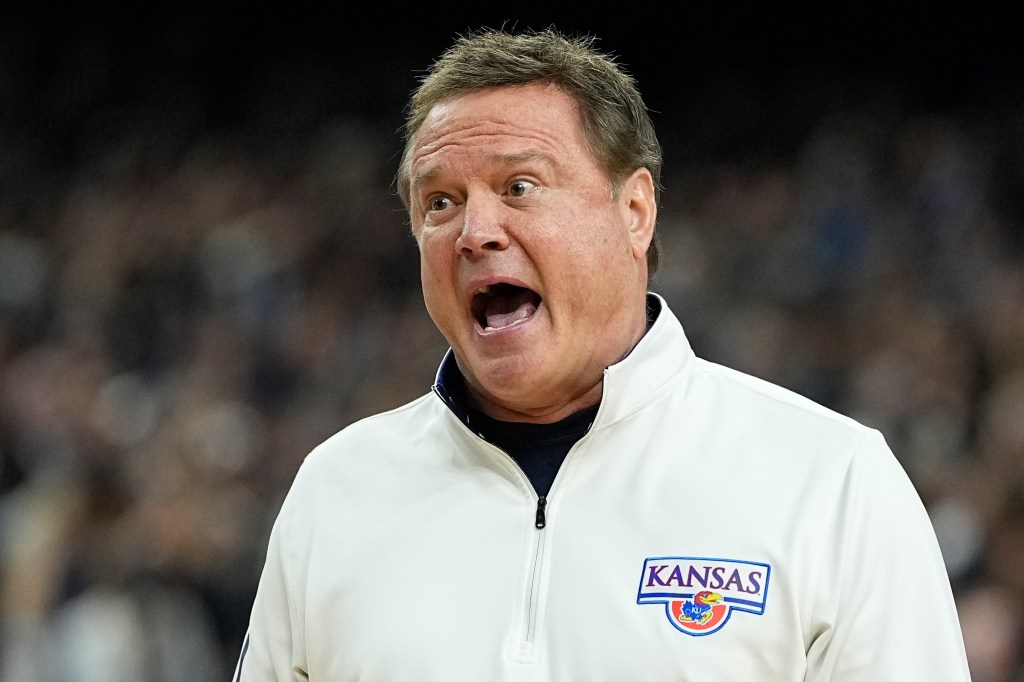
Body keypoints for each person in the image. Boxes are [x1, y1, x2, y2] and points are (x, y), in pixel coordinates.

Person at [233, 27, 971, 680]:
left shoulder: (829, 481)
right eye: (440, 202)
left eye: (519, 186)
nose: (474, 231)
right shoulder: (335, 492)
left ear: (635, 212)